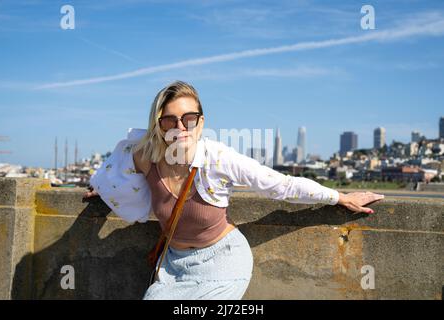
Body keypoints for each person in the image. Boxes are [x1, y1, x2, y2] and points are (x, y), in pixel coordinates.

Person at [84, 80, 384, 299]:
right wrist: (106, 192)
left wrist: (340, 196)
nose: (181, 126)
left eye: (190, 118)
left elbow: (281, 185)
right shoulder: (146, 156)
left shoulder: (217, 159)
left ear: (201, 121)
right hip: (174, 264)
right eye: (170, 119)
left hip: (222, 261)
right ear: (159, 124)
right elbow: (118, 175)